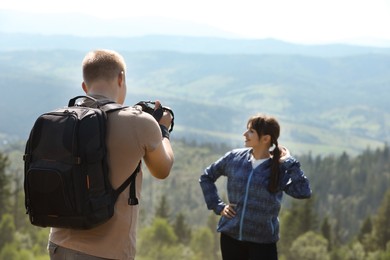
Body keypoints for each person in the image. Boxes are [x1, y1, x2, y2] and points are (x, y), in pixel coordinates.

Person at [48, 49, 174, 260]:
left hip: (59, 244)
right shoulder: (140, 122)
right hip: (109, 251)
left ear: (84, 87)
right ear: (121, 78)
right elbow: (162, 169)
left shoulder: (61, 119)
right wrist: (162, 130)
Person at [199, 114, 311, 260]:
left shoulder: (279, 168)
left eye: (251, 131)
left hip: (263, 244)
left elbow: (304, 191)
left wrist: (289, 161)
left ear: (266, 138)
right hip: (231, 239)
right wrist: (218, 206)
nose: (245, 134)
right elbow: (206, 176)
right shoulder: (234, 158)